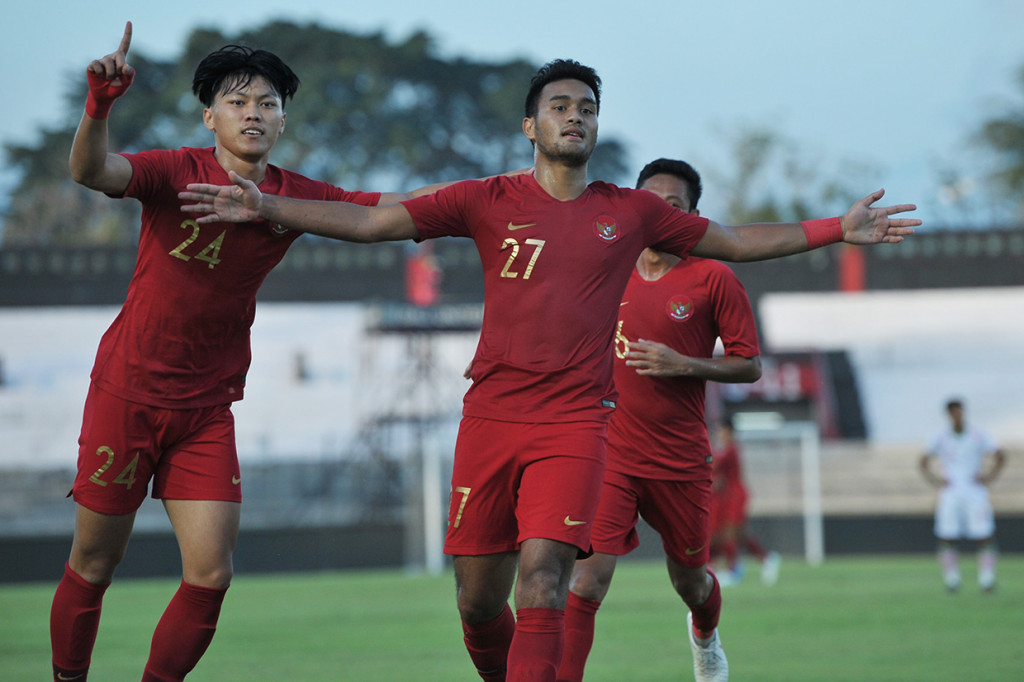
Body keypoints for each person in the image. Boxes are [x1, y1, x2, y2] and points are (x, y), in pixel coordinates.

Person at [180, 59, 919, 682]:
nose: (576, 116)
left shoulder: (630, 212)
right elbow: (374, 223)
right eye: (559, 106)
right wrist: (266, 205)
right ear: (531, 127)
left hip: (577, 425)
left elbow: (731, 239)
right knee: (476, 604)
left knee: (547, 581)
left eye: (587, 108)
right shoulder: (486, 199)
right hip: (490, 420)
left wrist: (836, 228)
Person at [50, 23, 468, 682]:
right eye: (239, 101)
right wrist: (99, 105)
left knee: (212, 573)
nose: (254, 112)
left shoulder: (291, 194)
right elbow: (93, 171)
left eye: (268, 103)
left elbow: (387, 208)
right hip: (127, 392)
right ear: (210, 115)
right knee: (95, 563)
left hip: (206, 407)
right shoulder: (174, 170)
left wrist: (493, 200)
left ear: (282, 120)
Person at [554, 158, 761, 682]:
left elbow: (750, 363)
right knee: (585, 583)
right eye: (648, 204)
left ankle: (705, 635)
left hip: (679, 459)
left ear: (693, 216)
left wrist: (686, 365)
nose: (657, 216)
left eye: (672, 208)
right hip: (611, 453)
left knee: (691, 583)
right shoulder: (605, 268)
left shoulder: (714, 277)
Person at [919, 398, 1005, 592]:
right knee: (947, 536)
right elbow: (923, 461)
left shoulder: (978, 434)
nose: (958, 416)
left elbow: (1000, 455)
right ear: (949, 414)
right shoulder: (940, 436)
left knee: (984, 535)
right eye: (954, 412)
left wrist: (989, 477)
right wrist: (935, 480)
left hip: (975, 492)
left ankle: (987, 580)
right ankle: (952, 580)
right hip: (951, 493)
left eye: (960, 411)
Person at [708, 418, 780, 587]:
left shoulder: (731, 449)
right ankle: (766, 558)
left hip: (736, 496)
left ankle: (734, 570)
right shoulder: (725, 449)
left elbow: (715, 464)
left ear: (729, 432)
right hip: (727, 496)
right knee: (736, 534)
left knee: (731, 531)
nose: (719, 434)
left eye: (722, 431)